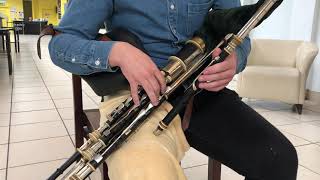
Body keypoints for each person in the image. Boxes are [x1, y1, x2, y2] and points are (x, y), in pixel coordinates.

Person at [48, 0, 298, 179]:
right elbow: (61, 45)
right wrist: (117, 52)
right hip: (135, 94)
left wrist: (236, 59)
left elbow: (238, 32)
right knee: (145, 172)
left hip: (199, 91)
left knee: (279, 160)